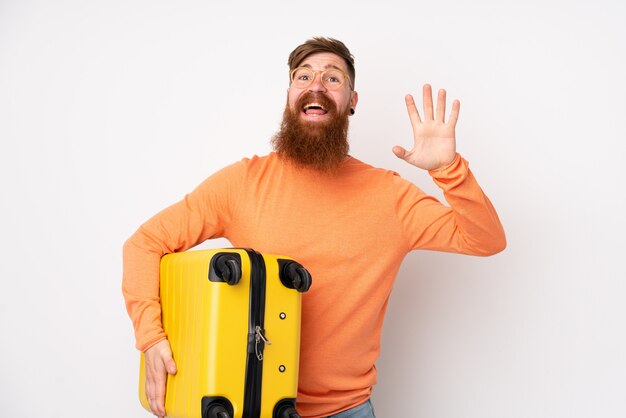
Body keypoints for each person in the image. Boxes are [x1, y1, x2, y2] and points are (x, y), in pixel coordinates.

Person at [123, 37, 506, 418]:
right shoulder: (242, 182)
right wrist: (152, 339)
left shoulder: (390, 196)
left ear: (352, 102)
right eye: (303, 76)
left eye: (333, 78)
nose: (316, 86)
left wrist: (448, 169)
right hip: (249, 404)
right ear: (290, 95)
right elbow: (145, 243)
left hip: (346, 410)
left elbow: (484, 239)